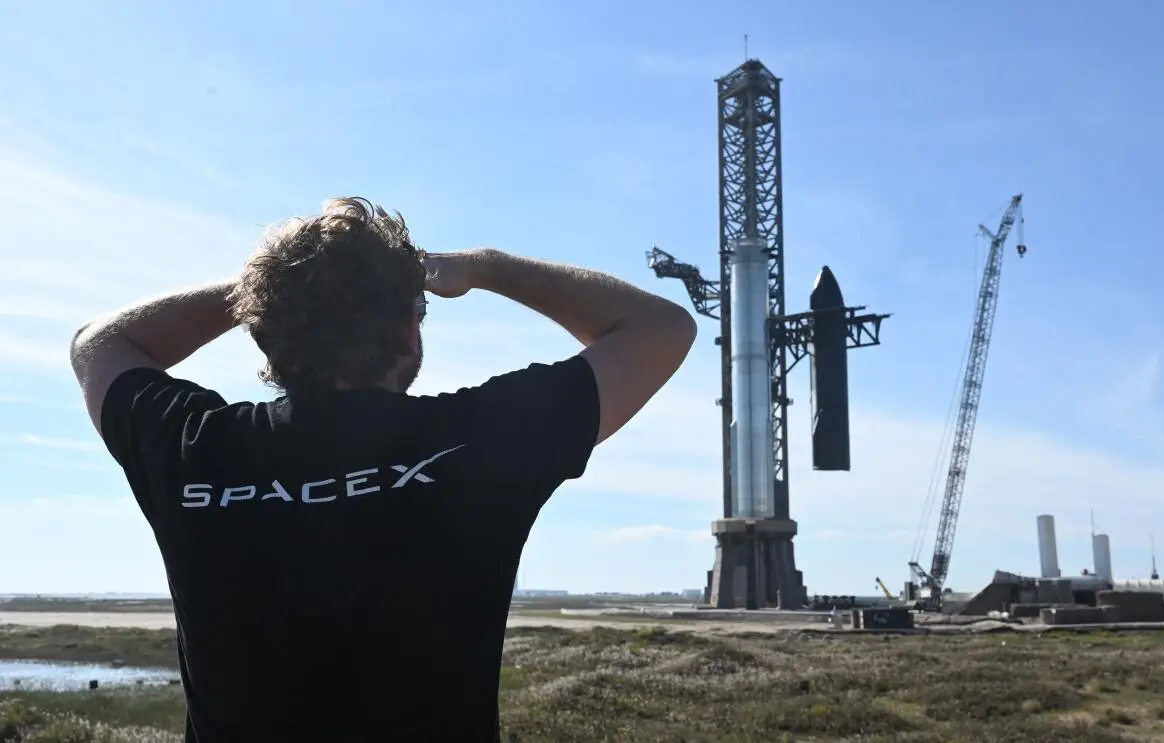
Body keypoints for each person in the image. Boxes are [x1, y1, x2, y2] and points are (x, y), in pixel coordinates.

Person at [69, 197, 698, 742]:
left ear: (263, 334)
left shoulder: (194, 448)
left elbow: (97, 344)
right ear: (407, 334)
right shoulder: (478, 443)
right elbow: (659, 328)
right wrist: (485, 268)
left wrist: (270, 292)